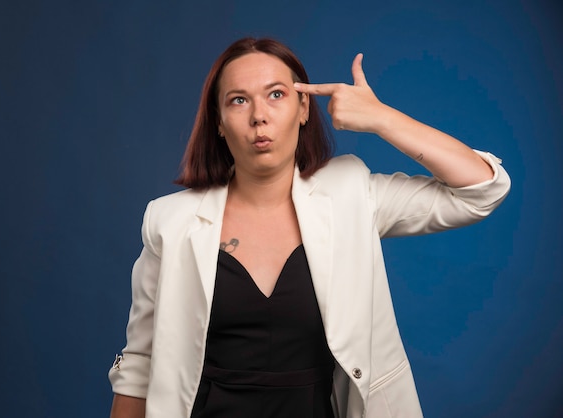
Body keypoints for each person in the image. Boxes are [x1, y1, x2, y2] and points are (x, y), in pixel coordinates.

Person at [108, 37, 510, 418]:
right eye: (238, 100)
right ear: (219, 122)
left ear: (304, 109)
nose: (259, 115)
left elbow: (480, 190)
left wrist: (382, 119)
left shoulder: (352, 194)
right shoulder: (170, 221)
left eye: (276, 94)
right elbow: (139, 363)